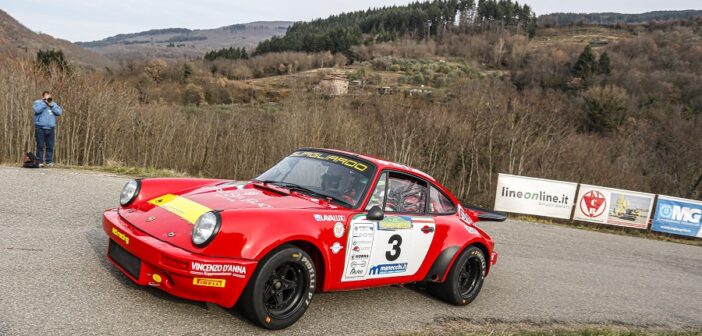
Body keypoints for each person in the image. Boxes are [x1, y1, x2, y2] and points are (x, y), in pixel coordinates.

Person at [33, 91, 63, 167]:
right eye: (46, 97)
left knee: (50, 146)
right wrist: (45, 103)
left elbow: (59, 112)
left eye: (49, 97)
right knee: (40, 146)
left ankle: (49, 161)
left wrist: (51, 105)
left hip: (51, 128)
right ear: (43, 97)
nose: (48, 98)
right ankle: (40, 161)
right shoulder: (38, 102)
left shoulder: (53, 104)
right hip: (40, 128)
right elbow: (37, 110)